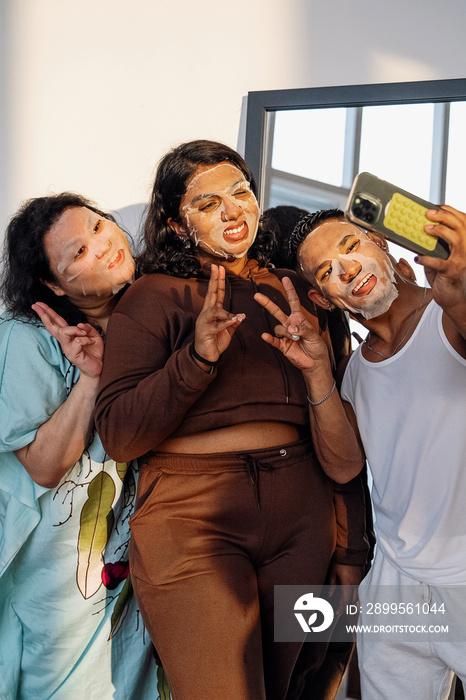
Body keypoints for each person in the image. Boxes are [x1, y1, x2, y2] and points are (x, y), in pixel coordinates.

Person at [95, 140, 369, 700]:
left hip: (305, 521)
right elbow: (120, 435)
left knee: (302, 686)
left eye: (240, 191)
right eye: (207, 202)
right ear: (175, 222)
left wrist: (350, 549)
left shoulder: (301, 291)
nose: (231, 210)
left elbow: (341, 438)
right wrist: (195, 360)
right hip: (191, 523)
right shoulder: (152, 298)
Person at [287, 205, 466, 699]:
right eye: (327, 272)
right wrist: (319, 373)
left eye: (351, 247)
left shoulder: (447, 317)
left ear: (381, 244)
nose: (347, 271)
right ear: (325, 298)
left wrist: (463, 282)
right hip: (395, 582)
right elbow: (345, 465)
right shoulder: (357, 371)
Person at [0, 193, 167, 700]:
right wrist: (91, 379)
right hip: (57, 573)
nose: (102, 246)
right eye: (77, 252)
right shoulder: (26, 338)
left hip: (133, 570)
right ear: (54, 285)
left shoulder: (155, 320)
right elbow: (45, 467)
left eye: (98, 228)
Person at [262, 204, 375, 700]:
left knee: (316, 666)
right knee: (313, 668)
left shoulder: (336, 337)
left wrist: (351, 554)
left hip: (332, 550)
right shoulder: (313, 335)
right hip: (321, 550)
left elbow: (348, 464)